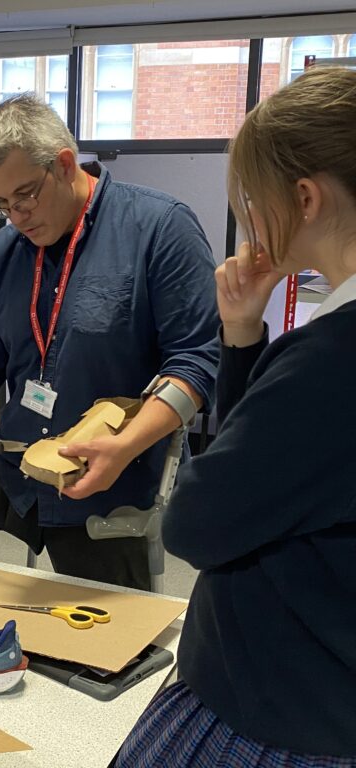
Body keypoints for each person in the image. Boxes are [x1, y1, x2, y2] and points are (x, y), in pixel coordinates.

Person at [117, 66, 356, 765]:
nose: (252, 219)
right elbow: (283, 475)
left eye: (255, 199)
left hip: (277, 700)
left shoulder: (332, 360)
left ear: (304, 197)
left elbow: (198, 519)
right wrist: (244, 339)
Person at [0, 94, 220, 589]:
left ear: (64, 165)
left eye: (26, 196)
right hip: (25, 476)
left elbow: (195, 363)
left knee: (109, 644)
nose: (16, 215)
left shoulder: (159, 228)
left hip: (113, 486)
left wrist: (125, 444)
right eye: (3, 204)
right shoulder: (6, 250)